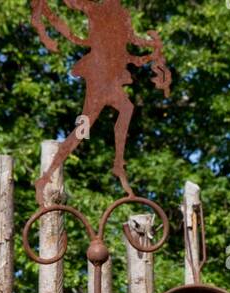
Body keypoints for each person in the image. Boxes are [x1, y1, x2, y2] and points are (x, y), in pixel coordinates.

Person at [32, 0, 171, 203]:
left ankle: (118, 164)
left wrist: (152, 48)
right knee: (83, 128)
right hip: (99, 78)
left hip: (112, 78)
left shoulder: (122, 14)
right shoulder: (95, 10)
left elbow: (131, 39)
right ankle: (46, 177)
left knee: (126, 108)